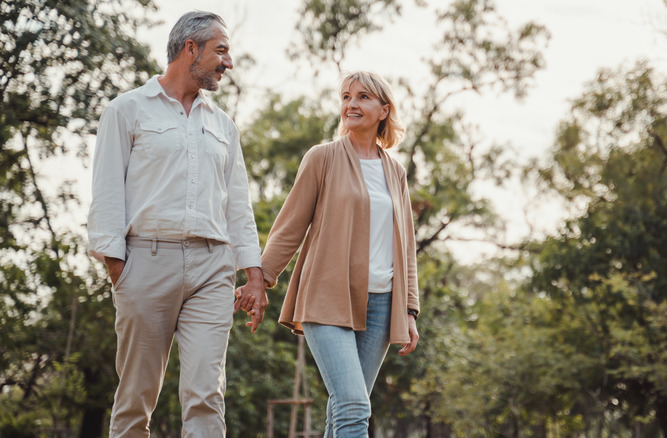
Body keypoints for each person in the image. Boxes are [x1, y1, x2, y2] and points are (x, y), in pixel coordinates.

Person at [87, 11, 267, 437]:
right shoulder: (126, 110)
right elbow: (107, 195)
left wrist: (254, 275)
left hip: (212, 268)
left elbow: (237, 205)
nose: (228, 61)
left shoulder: (224, 126)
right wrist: (119, 270)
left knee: (207, 396)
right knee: (136, 397)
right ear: (191, 49)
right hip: (145, 263)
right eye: (220, 50)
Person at [236, 71, 420, 437]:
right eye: (346, 97)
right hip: (327, 296)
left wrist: (410, 310)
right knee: (354, 404)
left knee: (343, 410)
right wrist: (261, 280)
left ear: (384, 110)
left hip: (382, 304)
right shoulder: (322, 158)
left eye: (363, 97)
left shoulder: (395, 172)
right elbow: (289, 226)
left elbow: (407, 246)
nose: (351, 104)